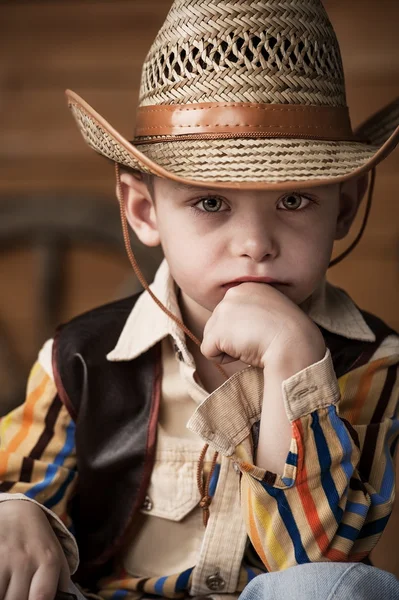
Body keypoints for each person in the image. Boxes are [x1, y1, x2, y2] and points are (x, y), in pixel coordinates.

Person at [0, 0, 399, 599]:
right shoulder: (78, 360)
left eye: (295, 201)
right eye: (211, 203)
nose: (256, 245)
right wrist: (14, 511)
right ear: (143, 210)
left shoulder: (375, 365)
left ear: (343, 205)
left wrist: (295, 363)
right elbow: (20, 481)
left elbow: (317, 566)